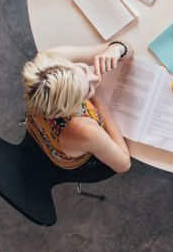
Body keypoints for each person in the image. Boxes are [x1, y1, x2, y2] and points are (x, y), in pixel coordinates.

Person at [22, 41, 132, 173]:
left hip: (39, 125)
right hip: (71, 158)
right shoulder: (85, 129)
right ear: (73, 108)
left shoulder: (51, 60)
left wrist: (117, 49)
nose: (96, 78)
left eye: (83, 69)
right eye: (88, 90)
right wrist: (98, 99)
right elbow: (124, 164)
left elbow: (126, 47)